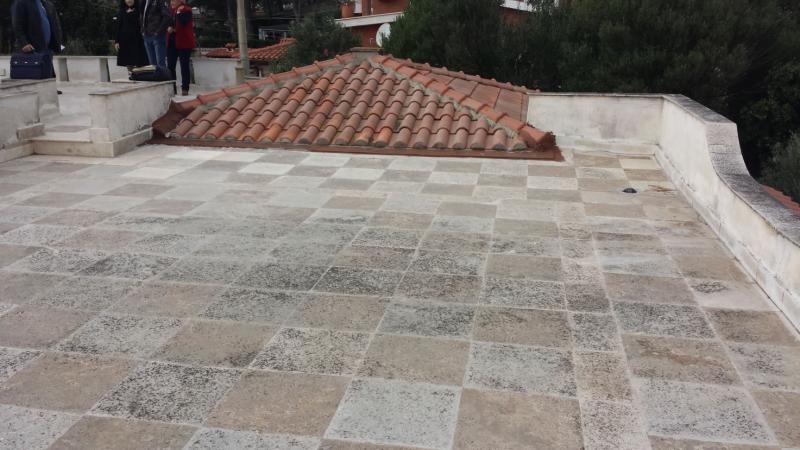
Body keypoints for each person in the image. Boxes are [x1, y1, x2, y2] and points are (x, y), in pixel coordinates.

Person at [11, 0, 63, 77]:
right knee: (32, 77)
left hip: (48, 50)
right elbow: (17, 25)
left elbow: (56, 25)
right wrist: (24, 43)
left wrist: (58, 43)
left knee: (48, 77)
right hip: (31, 50)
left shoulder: (48, 4)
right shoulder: (21, 2)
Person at [167, 0, 195, 95]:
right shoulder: (170, 11)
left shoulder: (187, 10)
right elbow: (168, 22)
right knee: (170, 66)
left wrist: (179, 12)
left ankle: (185, 89)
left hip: (184, 42)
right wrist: (169, 28)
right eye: (171, 0)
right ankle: (172, 89)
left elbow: (183, 22)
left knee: (184, 66)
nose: (172, 2)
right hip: (172, 42)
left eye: (174, 0)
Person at [115, 0, 149, 71]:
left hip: (137, 39)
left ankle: (139, 75)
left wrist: (132, 14)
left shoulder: (139, 10)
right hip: (125, 40)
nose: (129, 1)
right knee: (128, 61)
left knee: (140, 61)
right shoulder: (122, 11)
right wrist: (117, 41)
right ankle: (131, 74)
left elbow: (140, 24)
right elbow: (118, 26)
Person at [140, 0, 171, 68]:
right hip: (146, 35)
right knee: (152, 65)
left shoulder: (159, 1)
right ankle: (156, 75)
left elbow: (167, 16)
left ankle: (162, 75)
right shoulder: (143, 2)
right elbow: (142, 16)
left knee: (160, 64)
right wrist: (142, 30)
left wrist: (158, 31)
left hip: (157, 36)